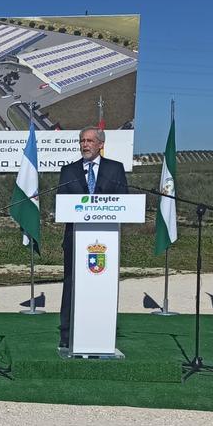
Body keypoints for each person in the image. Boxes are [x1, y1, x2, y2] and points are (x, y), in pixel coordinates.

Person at [58, 126, 129, 347]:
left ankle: (101, 333)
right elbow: (62, 201)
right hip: (75, 238)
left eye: (89, 140)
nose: (85, 145)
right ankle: (67, 335)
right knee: (71, 284)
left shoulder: (115, 169)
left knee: (102, 285)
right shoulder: (69, 171)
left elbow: (123, 200)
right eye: (82, 141)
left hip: (105, 239)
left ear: (100, 144)